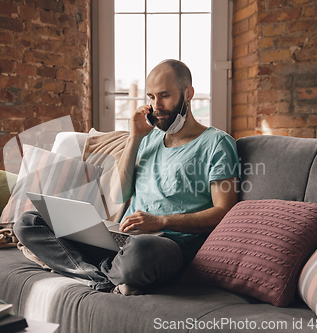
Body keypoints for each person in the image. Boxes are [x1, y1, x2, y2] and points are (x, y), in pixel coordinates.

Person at [14, 59, 240, 295]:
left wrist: (161, 221)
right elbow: (119, 193)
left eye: (164, 96)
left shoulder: (216, 143)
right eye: (151, 97)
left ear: (188, 94)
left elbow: (223, 212)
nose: (156, 106)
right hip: (123, 240)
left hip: (167, 247)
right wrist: (134, 137)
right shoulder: (148, 139)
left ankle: (89, 269)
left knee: (142, 252)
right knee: (29, 222)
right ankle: (104, 278)